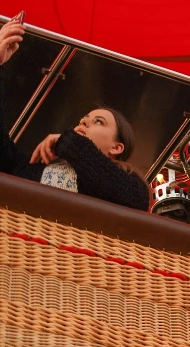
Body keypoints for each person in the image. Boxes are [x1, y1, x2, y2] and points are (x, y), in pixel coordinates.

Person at [0, 15, 150, 211]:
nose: (84, 123)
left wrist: (68, 142)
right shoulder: (35, 166)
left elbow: (137, 200)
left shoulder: (126, 183)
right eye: (83, 119)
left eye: (99, 122)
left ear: (116, 147)